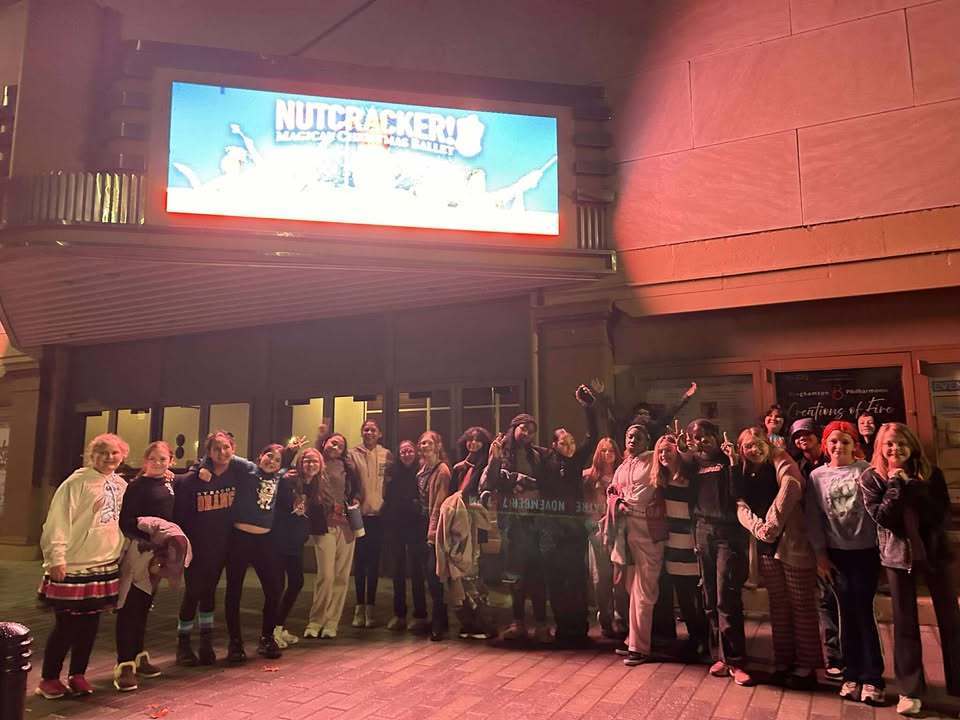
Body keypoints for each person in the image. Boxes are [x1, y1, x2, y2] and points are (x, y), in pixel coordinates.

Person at [860, 423, 960, 716]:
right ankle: (910, 690)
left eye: (901, 443)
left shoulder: (932, 474)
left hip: (935, 554)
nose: (895, 449)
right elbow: (883, 518)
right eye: (889, 444)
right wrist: (895, 485)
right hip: (898, 557)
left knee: (951, 620)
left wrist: (913, 485)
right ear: (880, 446)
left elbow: (939, 514)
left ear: (912, 445)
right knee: (904, 624)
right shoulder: (872, 478)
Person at [35, 434, 128, 700]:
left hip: (103, 564)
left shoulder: (120, 485)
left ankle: (78, 674)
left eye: (114, 453)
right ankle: (49, 678)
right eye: (102, 453)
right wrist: (56, 557)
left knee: (90, 626)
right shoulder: (75, 483)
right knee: (66, 626)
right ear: (92, 455)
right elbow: (57, 521)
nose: (109, 457)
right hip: (74, 565)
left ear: (122, 455)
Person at [730, 428, 820, 690]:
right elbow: (740, 504)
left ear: (767, 444)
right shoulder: (744, 471)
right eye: (748, 446)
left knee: (801, 604)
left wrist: (770, 527)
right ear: (741, 449)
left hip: (791, 542)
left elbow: (792, 488)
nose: (754, 449)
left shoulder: (780, 462)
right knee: (778, 605)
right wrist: (760, 530)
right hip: (766, 546)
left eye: (759, 444)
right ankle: (783, 661)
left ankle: (807, 666)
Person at [806, 421, 884, 706]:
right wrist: (820, 555)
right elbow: (813, 518)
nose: (838, 447)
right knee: (844, 613)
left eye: (845, 441)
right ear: (826, 445)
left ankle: (873, 677)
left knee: (864, 612)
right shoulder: (817, 477)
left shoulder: (866, 471)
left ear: (855, 445)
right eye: (833, 442)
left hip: (865, 552)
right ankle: (851, 673)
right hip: (836, 553)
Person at [679, 419, 754, 686]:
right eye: (696, 437)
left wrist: (733, 464)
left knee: (727, 597)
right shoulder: (693, 464)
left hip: (728, 534)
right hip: (703, 531)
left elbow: (738, 494)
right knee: (709, 598)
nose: (702, 440)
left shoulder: (727, 458)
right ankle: (720, 656)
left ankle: (737, 661)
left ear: (715, 434)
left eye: (706, 435)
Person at [114, 441, 186, 691]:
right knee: (129, 605)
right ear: (145, 461)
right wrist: (148, 542)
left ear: (170, 463)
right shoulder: (136, 487)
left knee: (144, 603)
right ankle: (124, 664)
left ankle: (138, 654)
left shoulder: (169, 482)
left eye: (163, 459)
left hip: (159, 551)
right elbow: (126, 521)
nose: (158, 463)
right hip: (139, 550)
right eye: (153, 459)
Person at [172, 431, 243, 666]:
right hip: (197, 546)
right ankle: (183, 644)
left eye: (226, 448)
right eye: (216, 449)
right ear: (208, 452)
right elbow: (180, 511)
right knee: (193, 592)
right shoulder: (194, 479)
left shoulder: (237, 474)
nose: (222, 452)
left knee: (210, 593)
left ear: (233, 449)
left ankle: (206, 642)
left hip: (223, 546)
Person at [481, 413, 550, 642]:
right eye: (524, 428)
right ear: (513, 428)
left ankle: (541, 624)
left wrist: (524, 482)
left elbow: (545, 481)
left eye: (532, 430)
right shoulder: (501, 452)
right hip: (512, 521)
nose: (528, 434)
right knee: (514, 573)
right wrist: (497, 461)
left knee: (538, 573)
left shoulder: (537, 455)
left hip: (535, 520)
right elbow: (489, 482)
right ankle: (517, 622)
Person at [540, 384, 598, 646]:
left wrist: (588, 407)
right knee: (556, 578)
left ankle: (579, 626)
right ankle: (563, 626)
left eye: (572, 441)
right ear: (554, 445)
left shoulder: (576, 462)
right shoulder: (546, 462)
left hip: (574, 529)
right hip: (553, 529)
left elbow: (593, 437)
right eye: (564, 441)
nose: (570, 444)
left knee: (576, 576)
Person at [789, 417, 843, 681]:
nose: (802, 439)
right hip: (810, 539)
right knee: (823, 599)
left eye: (807, 434)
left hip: (840, 539)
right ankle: (833, 656)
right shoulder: (797, 465)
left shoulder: (833, 459)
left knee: (840, 598)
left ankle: (849, 656)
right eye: (798, 436)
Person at [221, 444, 285, 663]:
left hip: (265, 540)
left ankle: (267, 637)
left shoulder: (280, 477)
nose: (272, 462)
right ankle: (235, 642)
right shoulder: (247, 468)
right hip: (240, 537)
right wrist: (200, 467)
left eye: (277, 460)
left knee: (274, 588)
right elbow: (222, 454)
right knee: (234, 590)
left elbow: (301, 463)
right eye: (269, 456)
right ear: (260, 455)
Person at [607, 424, 665, 666]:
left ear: (648, 440)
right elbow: (611, 490)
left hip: (648, 533)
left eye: (639, 436)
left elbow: (642, 495)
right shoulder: (622, 466)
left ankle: (640, 648)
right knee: (632, 587)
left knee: (645, 590)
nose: (633, 439)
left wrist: (622, 501)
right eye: (629, 435)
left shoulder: (653, 459)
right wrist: (617, 500)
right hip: (626, 534)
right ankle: (634, 639)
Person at [649, 434, 708, 660]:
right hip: (672, 542)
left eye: (668, 451)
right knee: (683, 596)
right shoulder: (661, 478)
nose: (664, 455)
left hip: (691, 540)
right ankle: (694, 639)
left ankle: (703, 638)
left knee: (696, 595)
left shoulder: (689, 476)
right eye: (660, 452)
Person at [305, 433, 360, 639]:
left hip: (346, 525)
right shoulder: (314, 462)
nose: (336, 445)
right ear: (325, 443)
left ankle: (332, 622)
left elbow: (356, 490)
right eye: (332, 441)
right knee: (325, 575)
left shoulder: (348, 467)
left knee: (341, 576)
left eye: (341, 444)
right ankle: (316, 620)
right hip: (324, 525)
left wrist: (355, 501)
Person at [349, 419, 393, 629]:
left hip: (379, 517)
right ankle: (358, 607)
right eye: (365, 429)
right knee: (360, 563)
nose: (369, 432)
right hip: (359, 515)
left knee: (374, 564)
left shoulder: (387, 455)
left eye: (373, 430)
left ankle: (371, 608)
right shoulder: (352, 454)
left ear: (380, 433)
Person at [582, 437, 627, 639]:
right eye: (604, 451)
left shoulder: (623, 474)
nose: (608, 455)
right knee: (601, 577)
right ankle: (605, 617)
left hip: (619, 529)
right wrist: (593, 526)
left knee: (620, 576)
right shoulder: (589, 477)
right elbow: (583, 506)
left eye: (611, 451)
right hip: (598, 530)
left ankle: (620, 616)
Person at [271, 447, 316, 649]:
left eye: (315, 462)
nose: (311, 465)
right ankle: (271, 630)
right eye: (307, 461)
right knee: (277, 586)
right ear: (299, 463)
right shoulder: (288, 479)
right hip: (280, 538)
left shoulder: (313, 484)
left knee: (297, 582)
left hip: (296, 541)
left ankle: (279, 625)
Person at [384, 440, 429, 633]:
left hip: (417, 527)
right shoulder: (393, 474)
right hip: (396, 527)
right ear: (398, 454)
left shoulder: (421, 472)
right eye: (403, 451)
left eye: (410, 451)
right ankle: (399, 614)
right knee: (398, 571)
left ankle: (420, 614)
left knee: (417, 571)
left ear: (416, 453)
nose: (407, 454)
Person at [417, 430, 453, 640]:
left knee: (435, 574)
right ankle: (438, 618)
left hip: (435, 526)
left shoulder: (442, 471)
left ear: (438, 445)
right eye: (422, 443)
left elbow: (439, 505)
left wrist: (432, 532)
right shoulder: (423, 468)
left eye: (429, 442)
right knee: (427, 574)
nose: (424, 446)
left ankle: (440, 620)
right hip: (421, 524)